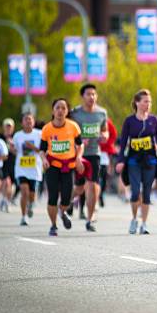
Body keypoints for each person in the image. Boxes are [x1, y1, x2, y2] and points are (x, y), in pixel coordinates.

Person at [116, 89, 157, 235]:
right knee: (134, 192)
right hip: (133, 161)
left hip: (150, 161)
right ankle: (134, 219)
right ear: (137, 103)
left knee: (146, 193)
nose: (148, 104)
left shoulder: (153, 120)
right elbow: (123, 143)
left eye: (150, 102)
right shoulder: (129, 121)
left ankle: (144, 224)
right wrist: (120, 161)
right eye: (145, 101)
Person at [40, 98, 84, 237]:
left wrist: (78, 158)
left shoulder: (73, 127)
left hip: (68, 166)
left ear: (67, 111)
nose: (60, 111)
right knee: (52, 196)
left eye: (63, 108)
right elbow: (42, 149)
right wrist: (43, 159)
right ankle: (53, 225)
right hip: (53, 165)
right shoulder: (47, 128)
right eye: (57, 108)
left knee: (66, 197)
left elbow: (80, 144)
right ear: (53, 110)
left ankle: (62, 211)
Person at [69, 84, 108, 232]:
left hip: (94, 153)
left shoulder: (102, 113)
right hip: (78, 154)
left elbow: (105, 131)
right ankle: (68, 200)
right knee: (79, 188)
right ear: (82, 96)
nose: (91, 97)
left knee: (92, 185)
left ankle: (90, 219)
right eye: (88, 94)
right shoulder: (75, 114)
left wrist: (105, 136)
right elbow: (68, 133)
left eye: (94, 94)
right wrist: (78, 141)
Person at [13, 112, 43, 226]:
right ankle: (23, 216)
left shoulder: (39, 134)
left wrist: (32, 147)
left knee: (31, 194)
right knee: (24, 191)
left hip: (34, 169)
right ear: (22, 123)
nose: (28, 121)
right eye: (26, 119)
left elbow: (42, 151)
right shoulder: (17, 136)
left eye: (30, 119)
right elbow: (16, 151)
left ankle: (31, 204)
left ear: (34, 122)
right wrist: (12, 149)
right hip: (21, 168)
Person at [98, 117, 118, 208]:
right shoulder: (87, 120)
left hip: (104, 152)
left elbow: (113, 134)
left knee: (104, 174)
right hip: (91, 151)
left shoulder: (106, 121)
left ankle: (101, 193)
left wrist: (106, 144)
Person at [0, 118, 17, 213]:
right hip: (3, 163)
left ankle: (6, 200)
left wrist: (12, 147)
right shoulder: (0, 137)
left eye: (10, 126)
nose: (8, 128)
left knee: (12, 184)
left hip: (14, 163)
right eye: (7, 126)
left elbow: (19, 151)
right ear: (4, 127)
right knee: (6, 182)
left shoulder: (16, 137)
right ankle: (5, 199)